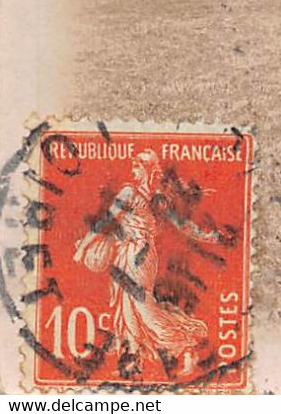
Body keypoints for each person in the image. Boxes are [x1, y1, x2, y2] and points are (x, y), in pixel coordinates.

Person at [73, 150, 230, 380]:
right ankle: (134, 362)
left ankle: (186, 340)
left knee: (142, 309)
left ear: (147, 169)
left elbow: (108, 220)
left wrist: (81, 249)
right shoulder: (141, 195)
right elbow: (107, 220)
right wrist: (210, 236)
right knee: (129, 309)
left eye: (137, 166)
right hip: (129, 254)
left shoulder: (146, 197)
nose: (133, 170)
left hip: (139, 256)